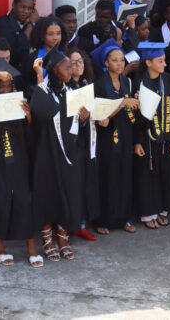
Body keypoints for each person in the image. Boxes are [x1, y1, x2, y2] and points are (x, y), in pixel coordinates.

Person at [0, 61, 41, 267]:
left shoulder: (18, 103)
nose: (4, 90)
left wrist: (29, 116)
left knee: (23, 200)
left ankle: (31, 248)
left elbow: (30, 135)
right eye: (0, 87)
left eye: (7, 86)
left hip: (18, 159)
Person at [30, 49, 87, 261]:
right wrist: (39, 75)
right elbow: (42, 111)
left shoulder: (73, 91)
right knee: (48, 193)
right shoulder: (39, 89)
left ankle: (63, 237)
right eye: (67, 67)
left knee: (69, 193)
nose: (71, 70)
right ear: (54, 70)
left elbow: (76, 124)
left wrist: (83, 118)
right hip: (46, 152)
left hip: (70, 152)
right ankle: (47, 239)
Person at [91, 40, 140, 234]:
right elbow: (100, 115)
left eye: (122, 60)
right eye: (114, 60)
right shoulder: (98, 85)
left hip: (126, 134)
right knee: (107, 177)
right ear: (106, 63)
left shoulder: (127, 82)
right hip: (107, 136)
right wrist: (122, 103)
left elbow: (131, 110)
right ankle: (103, 220)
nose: (120, 64)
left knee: (125, 176)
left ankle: (123, 218)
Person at [133, 43, 170, 229]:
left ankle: (162, 210)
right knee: (147, 177)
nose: (165, 64)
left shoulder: (168, 80)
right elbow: (134, 118)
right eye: (160, 61)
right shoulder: (138, 83)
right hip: (146, 138)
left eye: (164, 60)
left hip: (165, 138)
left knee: (164, 175)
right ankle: (148, 214)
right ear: (148, 62)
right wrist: (137, 142)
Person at [65, 49, 99, 241]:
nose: (79, 65)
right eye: (74, 62)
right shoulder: (64, 88)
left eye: (81, 61)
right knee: (72, 185)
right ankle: (68, 226)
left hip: (85, 141)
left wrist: (89, 118)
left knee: (84, 183)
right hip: (70, 143)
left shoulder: (86, 85)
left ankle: (81, 224)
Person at [0, 0, 42, 70]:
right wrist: (31, 24)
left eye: (29, 8)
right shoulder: (1, 23)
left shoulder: (33, 25)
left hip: (26, 72)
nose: (26, 11)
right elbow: (18, 50)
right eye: (23, 7)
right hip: (6, 71)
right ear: (13, 4)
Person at [24, 15, 67, 87]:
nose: (55, 38)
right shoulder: (33, 59)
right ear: (42, 36)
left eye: (58, 33)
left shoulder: (66, 54)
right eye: (50, 34)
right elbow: (27, 85)